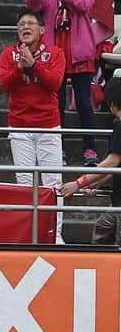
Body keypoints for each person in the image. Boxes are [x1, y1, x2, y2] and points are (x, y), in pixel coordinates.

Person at [26, 0, 101, 167]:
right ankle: (58, 148)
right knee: (55, 103)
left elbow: (82, 6)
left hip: (78, 49)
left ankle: (90, 148)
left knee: (84, 104)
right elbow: (34, 5)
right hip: (54, 47)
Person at [0, 9, 67, 241]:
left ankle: (54, 235)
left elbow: (54, 83)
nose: (25, 28)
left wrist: (34, 65)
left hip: (48, 125)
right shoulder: (8, 55)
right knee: (24, 183)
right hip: (19, 127)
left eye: (30, 24)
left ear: (42, 30)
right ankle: (27, 234)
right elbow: (6, 86)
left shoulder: (56, 53)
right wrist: (19, 68)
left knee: (53, 183)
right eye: (20, 25)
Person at [59, 78, 121, 244]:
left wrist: (79, 183)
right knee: (102, 231)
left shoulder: (120, 127)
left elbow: (112, 162)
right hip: (117, 203)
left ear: (112, 104)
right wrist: (98, 181)